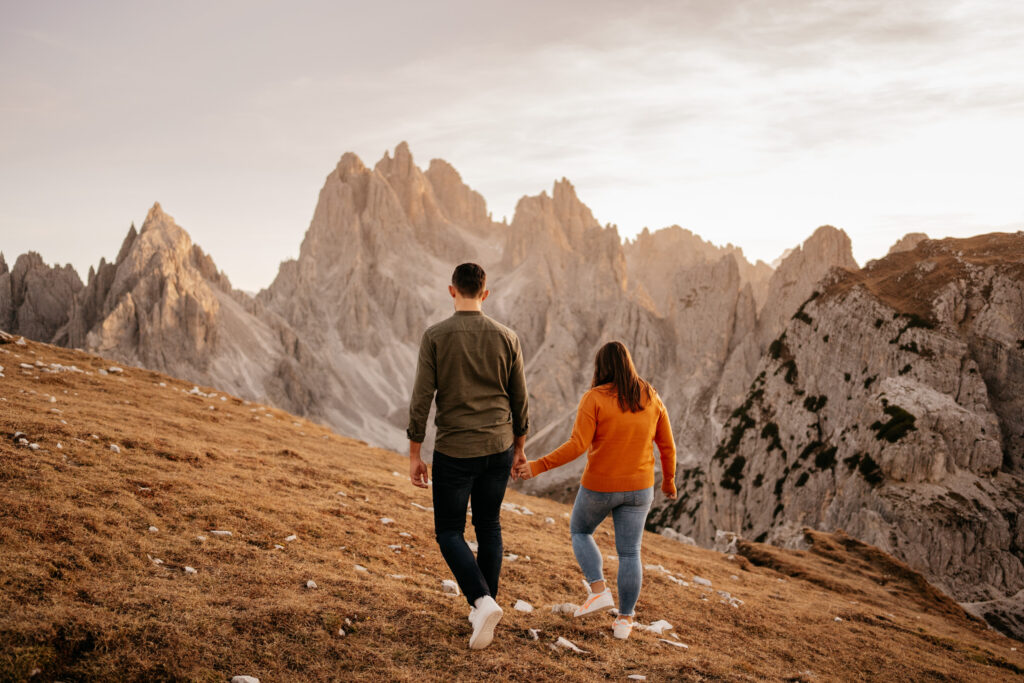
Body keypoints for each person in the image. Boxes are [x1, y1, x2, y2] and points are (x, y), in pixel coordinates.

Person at [514, 340, 676, 640]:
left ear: (601, 367)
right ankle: (625, 620)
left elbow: (577, 445)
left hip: (600, 486)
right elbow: (667, 445)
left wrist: (538, 466)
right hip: (640, 488)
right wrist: (668, 481)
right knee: (630, 552)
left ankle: (599, 590)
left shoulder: (594, 398)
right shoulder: (651, 395)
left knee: (580, 530)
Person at [407, 263, 530, 650]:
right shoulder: (507, 336)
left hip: (455, 450)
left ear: (452, 291)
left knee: (449, 531)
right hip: (499, 447)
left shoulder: (435, 336)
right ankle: (485, 606)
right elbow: (520, 399)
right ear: (485, 293)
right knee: (489, 525)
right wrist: (520, 448)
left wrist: (415, 453)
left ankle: (481, 602)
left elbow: (421, 398)